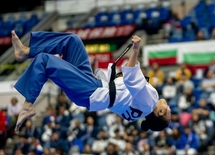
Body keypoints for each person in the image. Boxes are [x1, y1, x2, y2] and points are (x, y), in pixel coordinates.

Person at [11, 32, 170, 133]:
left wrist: (135, 50)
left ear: (160, 113)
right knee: (72, 41)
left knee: (45, 60)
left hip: (91, 90)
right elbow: (124, 85)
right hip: (93, 86)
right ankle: (26, 51)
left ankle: (28, 104)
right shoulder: (136, 114)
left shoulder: (150, 102)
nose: (168, 107)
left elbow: (131, 78)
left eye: (168, 111)